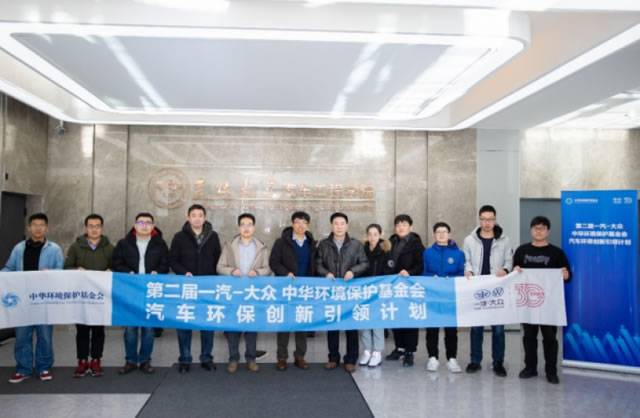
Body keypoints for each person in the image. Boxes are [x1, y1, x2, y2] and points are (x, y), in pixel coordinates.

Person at [3, 213, 64, 383]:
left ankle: (44, 367)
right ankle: (23, 369)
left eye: (41, 225)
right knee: (22, 336)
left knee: (45, 336)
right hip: (23, 300)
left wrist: (51, 273)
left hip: (44, 300)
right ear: (29, 227)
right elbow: (9, 268)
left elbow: (61, 272)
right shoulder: (19, 248)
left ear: (46, 228)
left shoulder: (54, 249)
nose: (38, 228)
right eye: (35, 225)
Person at [514, 215, 571, 384]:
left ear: (548, 231)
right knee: (529, 337)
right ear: (531, 230)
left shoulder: (557, 253)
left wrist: (565, 274)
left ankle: (551, 371)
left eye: (542, 228)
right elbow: (513, 273)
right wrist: (515, 270)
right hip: (528, 302)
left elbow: (568, 276)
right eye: (536, 228)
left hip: (549, 305)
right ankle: (530, 368)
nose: (539, 231)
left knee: (550, 338)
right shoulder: (522, 250)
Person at [112, 212, 169, 375]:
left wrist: (157, 271)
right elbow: (116, 263)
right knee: (130, 328)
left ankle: (145, 360)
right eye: (141, 223)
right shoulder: (124, 243)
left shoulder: (160, 244)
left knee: (148, 328)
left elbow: (165, 264)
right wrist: (128, 272)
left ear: (153, 226)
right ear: (135, 225)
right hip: (130, 290)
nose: (144, 226)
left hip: (151, 291)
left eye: (148, 223)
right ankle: (130, 361)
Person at [169, 204, 222, 373]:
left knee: (207, 324)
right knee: (185, 323)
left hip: (208, 287)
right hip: (187, 286)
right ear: (188, 217)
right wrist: (184, 272)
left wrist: (214, 279)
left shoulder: (213, 236)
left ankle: (206, 357)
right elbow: (173, 260)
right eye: (194, 215)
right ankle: (185, 358)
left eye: (200, 215)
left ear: (205, 218)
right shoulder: (179, 237)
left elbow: (218, 260)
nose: (197, 218)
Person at [217, 213, 271, 373]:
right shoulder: (229, 246)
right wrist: (231, 271)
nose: (246, 228)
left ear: (254, 227)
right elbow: (219, 267)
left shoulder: (262, 247)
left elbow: (268, 268)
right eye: (243, 224)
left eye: (249, 224)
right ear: (238, 227)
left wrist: (258, 272)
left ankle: (251, 358)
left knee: (251, 327)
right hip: (234, 293)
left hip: (252, 293)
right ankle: (233, 359)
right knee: (233, 327)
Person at [463, 205, 513, 377]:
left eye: (490, 219)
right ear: (479, 220)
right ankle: (475, 361)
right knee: (476, 328)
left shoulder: (504, 240)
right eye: (483, 219)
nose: (487, 223)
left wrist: (505, 270)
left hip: (497, 289)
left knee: (498, 329)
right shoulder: (469, 240)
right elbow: (467, 260)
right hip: (477, 289)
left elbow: (509, 261)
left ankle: (498, 362)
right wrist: (468, 271)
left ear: (495, 220)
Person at [316, 212, 369, 373]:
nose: (339, 226)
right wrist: (326, 273)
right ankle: (333, 358)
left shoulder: (356, 244)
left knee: (351, 326)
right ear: (331, 226)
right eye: (336, 223)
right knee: (332, 325)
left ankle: (351, 359)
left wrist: (353, 271)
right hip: (332, 291)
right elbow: (317, 263)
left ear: (347, 226)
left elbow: (364, 263)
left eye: (342, 223)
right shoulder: (323, 244)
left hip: (350, 291)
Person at [64, 213, 114, 378]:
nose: (94, 229)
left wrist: (111, 270)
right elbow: (66, 268)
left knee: (99, 330)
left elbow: (117, 267)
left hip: (100, 296)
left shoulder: (109, 248)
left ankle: (96, 360)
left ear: (102, 228)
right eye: (91, 226)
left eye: (97, 226)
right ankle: (82, 360)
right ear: (86, 228)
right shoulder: (76, 247)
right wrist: (76, 270)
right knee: (82, 329)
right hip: (82, 295)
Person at [269, 211, 317, 371]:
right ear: (292, 224)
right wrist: (285, 273)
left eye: (304, 222)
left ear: (308, 225)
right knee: (285, 324)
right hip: (286, 288)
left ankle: (300, 356)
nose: (300, 225)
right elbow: (274, 262)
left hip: (305, 290)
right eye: (297, 222)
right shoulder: (281, 242)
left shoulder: (312, 243)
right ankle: (282, 357)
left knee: (301, 324)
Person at [423, 222, 464, 373]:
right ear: (434, 235)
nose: (441, 234)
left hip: (450, 296)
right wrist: (431, 277)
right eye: (438, 232)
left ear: (449, 234)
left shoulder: (458, 254)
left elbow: (461, 273)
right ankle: (432, 357)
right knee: (432, 328)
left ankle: (452, 358)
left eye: (444, 232)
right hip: (433, 295)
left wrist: (450, 279)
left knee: (451, 329)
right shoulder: (427, 253)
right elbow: (423, 272)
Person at [384, 214, 424, 367]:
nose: (401, 227)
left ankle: (410, 351)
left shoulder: (416, 244)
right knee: (396, 316)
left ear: (410, 227)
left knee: (409, 319)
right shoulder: (390, 242)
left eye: (404, 225)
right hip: (393, 287)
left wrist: (410, 272)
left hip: (409, 286)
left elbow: (420, 265)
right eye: (398, 225)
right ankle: (399, 347)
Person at [358, 223, 389, 368]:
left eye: (375, 234)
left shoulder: (385, 250)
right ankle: (367, 350)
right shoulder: (362, 250)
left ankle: (377, 351)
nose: (372, 237)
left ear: (380, 235)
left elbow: (389, 271)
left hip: (379, 291)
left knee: (376, 322)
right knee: (364, 320)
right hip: (363, 291)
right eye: (370, 234)